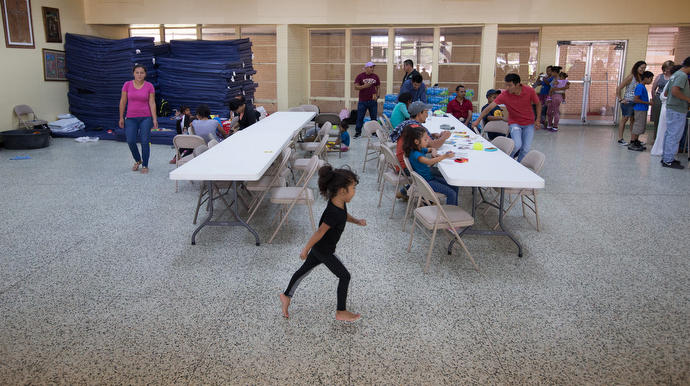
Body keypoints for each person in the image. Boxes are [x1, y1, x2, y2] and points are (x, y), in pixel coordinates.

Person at [279, 165, 366, 322]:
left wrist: (356, 221)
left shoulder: (338, 203)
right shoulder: (334, 212)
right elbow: (320, 232)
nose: (354, 191)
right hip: (324, 251)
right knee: (345, 276)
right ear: (343, 191)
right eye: (353, 188)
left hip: (321, 249)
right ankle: (341, 311)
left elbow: (344, 215)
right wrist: (305, 249)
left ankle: (286, 296)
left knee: (303, 271)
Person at [472, 73, 541, 162]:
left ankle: (519, 166)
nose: (507, 87)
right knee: (516, 145)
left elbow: (538, 103)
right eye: (506, 85)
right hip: (514, 122)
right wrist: (478, 120)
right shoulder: (505, 95)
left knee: (525, 149)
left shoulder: (529, 91)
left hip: (529, 123)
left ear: (517, 84)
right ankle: (509, 160)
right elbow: (489, 107)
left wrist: (538, 119)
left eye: (510, 85)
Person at [390, 101, 451, 199]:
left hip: (401, 164)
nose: (427, 115)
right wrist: (444, 137)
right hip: (407, 167)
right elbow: (435, 145)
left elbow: (430, 145)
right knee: (439, 174)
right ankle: (427, 199)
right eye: (426, 112)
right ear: (419, 114)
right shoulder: (415, 128)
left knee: (427, 171)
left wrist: (432, 135)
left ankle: (404, 192)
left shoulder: (409, 125)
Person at [402, 124, 458, 205]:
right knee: (451, 193)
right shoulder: (416, 154)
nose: (428, 141)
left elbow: (432, 148)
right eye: (425, 139)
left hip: (429, 178)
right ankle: (450, 214)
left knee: (454, 186)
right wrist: (445, 156)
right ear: (417, 142)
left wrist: (434, 154)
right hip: (426, 182)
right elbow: (429, 162)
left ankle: (454, 209)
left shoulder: (419, 149)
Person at [119, 64, 158, 174]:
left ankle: (145, 164)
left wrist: (154, 119)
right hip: (131, 117)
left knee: (145, 141)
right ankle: (138, 160)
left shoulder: (149, 86)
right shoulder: (127, 85)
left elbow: (152, 103)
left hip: (146, 117)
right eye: (137, 72)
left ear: (145, 74)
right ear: (133, 73)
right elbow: (122, 101)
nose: (139, 75)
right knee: (130, 141)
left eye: (141, 73)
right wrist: (121, 117)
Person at [661, 56, 690, 169]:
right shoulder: (682, 76)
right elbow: (674, 91)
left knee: (670, 134)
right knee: (674, 135)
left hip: (673, 108)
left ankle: (667, 157)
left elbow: (668, 92)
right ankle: (668, 160)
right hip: (677, 109)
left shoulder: (676, 74)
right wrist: (687, 99)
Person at [651, 65, 682, 156]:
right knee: (667, 129)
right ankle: (665, 151)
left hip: (669, 106)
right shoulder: (672, 82)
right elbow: (664, 94)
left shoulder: (672, 80)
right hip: (668, 106)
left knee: (669, 130)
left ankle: (667, 150)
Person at [615, 60, 647, 146]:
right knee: (625, 119)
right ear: (637, 67)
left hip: (637, 101)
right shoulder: (631, 77)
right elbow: (618, 88)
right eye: (641, 68)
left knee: (634, 120)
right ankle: (621, 138)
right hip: (628, 102)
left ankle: (634, 139)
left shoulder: (641, 78)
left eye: (644, 68)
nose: (643, 70)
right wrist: (620, 100)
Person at [628, 71, 655, 151]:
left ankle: (636, 141)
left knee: (640, 126)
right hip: (640, 109)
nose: (651, 81)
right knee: (637, 126)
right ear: (646, 78)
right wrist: (648, 103)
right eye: (651, 79)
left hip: (643, 109)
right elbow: (636, 99)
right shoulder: (640, 87)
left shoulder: (642, 86)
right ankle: (632, 142)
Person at [353, 61, 381, 138]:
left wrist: (378, 96)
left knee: (374, 118)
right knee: (360, 117)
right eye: (371, 67)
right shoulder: (360, 76)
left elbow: (378, 87)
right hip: (363, 101)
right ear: (366, 68)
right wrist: (364, 86)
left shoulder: (376, 77)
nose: (372, 69)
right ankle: (358, 132)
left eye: (373, 68)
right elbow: (356, 87)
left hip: (373, 101)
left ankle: (374, 132)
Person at [650, 60, 675, 142]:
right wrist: (653, 97)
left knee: (666, 120)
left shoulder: (674, 77)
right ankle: (655, 138)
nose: (668, 70)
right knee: (657, 119)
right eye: (666, 68)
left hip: (669, 100)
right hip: (658, 99)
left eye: (669, 68)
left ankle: (665, 139)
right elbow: (653, 88)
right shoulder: (660, 76)